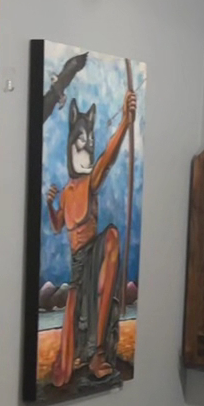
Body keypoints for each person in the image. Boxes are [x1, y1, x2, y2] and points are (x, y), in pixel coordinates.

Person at [45, 87, 135, 385]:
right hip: (77, 264)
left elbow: (107, 158)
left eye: (89, 144)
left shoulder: (90, 181)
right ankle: (80, 356)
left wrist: (125, 122)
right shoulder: (67, 192)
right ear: (71, 145)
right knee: (63, 367)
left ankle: (97, 354)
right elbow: (57, 226)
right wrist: (50, 205)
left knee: (111, 237)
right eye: (79, 143)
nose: (85, 150)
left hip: (94, 255)